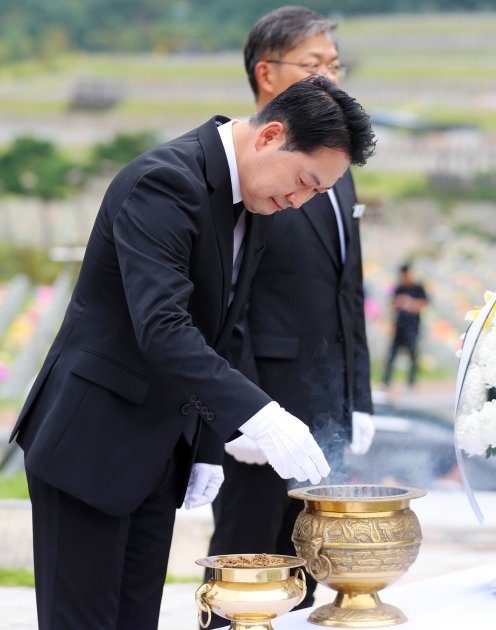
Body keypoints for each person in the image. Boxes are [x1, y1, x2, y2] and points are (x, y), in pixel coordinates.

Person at [9, 76, 376, 629]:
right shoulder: (164, 182)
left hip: (158, 452)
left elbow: (220, 329)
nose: (299, 202)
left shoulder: (252, 203)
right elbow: (164, 326)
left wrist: (206, 445)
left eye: (316, 194)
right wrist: (260, 414)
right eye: (304, 182)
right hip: (91, 445)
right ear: (270, 136)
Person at [205, 6, 375, 619]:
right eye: (313, 64)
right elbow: (228, 300)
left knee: (308, 559)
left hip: (323, 402)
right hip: (263, 402)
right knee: (246, 560)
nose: (330, 75)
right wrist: (242, 415)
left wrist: (359, 398)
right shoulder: (248, 170)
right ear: (266, 74)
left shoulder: (337, 169)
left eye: (335, 64)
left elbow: (348, 292)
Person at [381, 262, 428, 390]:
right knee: (391, 355)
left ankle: (411, 383)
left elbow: (423, 303)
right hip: (399, 326)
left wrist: (410, 303)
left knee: (413, 356)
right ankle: (386, 381)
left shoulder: (418, 288)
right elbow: (392, 303)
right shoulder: (399, 288)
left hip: (413, 327)